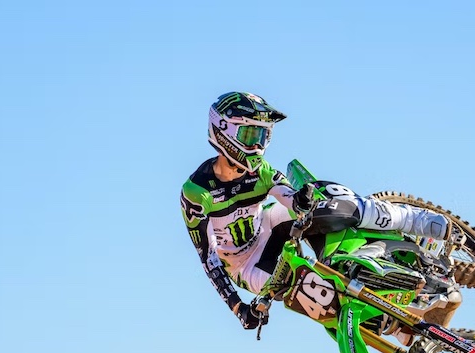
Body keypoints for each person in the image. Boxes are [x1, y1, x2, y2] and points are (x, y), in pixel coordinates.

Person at [180, 91, 452, 331]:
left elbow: (289, 198)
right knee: (314, 293)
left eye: (263, 136)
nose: (258, 146)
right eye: (250, 135)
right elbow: (209, 259)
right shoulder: (196, 192)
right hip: (245, 265)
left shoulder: (260, 171)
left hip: (268, 224)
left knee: (324, 201)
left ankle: (414, 220)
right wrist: (238, 308)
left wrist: (302, 200)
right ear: (224, 131)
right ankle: (400, 324)